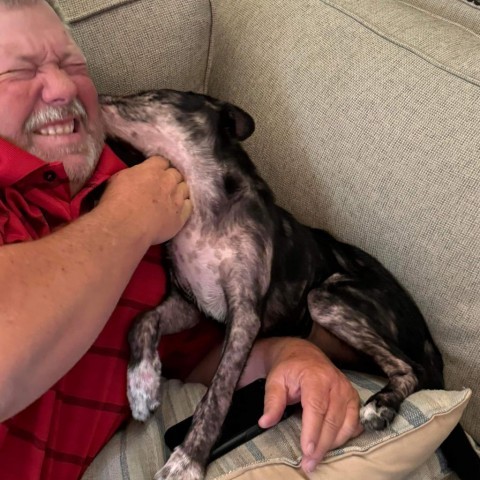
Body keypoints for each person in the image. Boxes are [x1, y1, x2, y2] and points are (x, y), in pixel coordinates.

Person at [0, 0, 363, 478]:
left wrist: (286, 355)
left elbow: (188, 360)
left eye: (74, 65)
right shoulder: (140, 209)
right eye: (19, 72)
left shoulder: (159, 195)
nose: (65, 87)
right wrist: (125, 223)